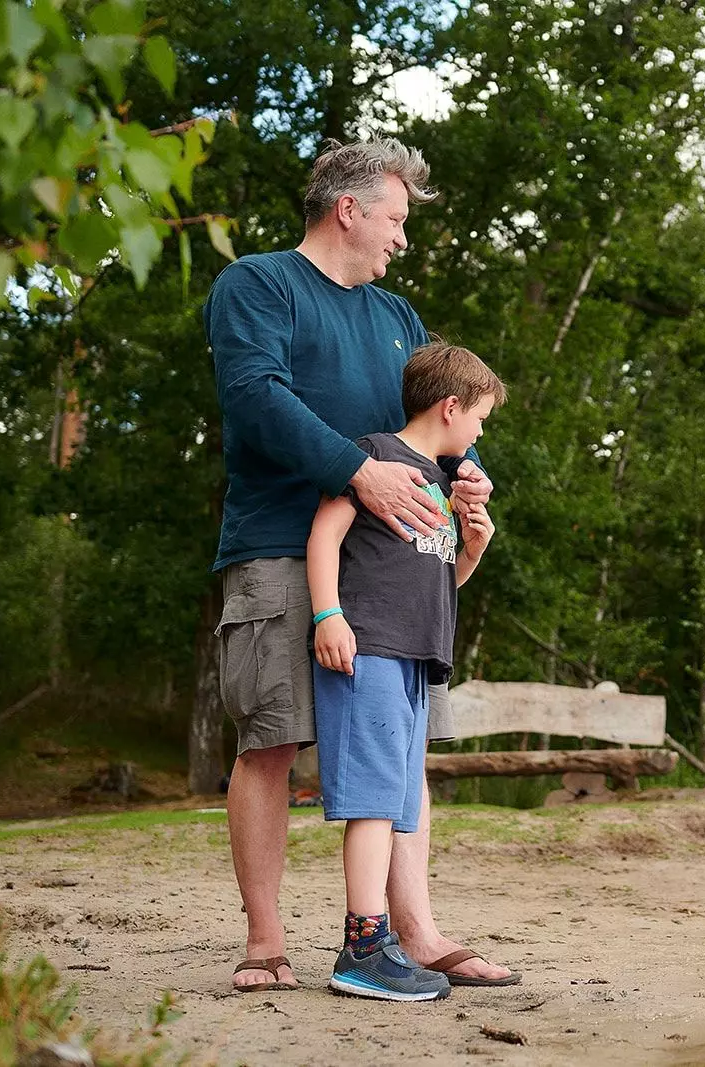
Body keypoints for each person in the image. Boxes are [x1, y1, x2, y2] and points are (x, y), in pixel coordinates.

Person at [206, 136, 514, 991]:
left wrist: (466, 481)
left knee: (399, 750)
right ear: (350, 209)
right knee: (272, 739)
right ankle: (266, 942)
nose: (402, 237)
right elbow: (255, 397)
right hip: (277, 546)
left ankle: (415, 933)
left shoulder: (399, 320)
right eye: (396, 218)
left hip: (392, 570)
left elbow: (430, 427)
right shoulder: (258, 286)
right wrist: (356, 472)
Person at [308, 341, 505, 1000]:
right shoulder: (376, 459)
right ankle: (361, 946)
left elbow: (443, 579)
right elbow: (325, 535)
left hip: (418, 656)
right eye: (479, 418)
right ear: (451, 408)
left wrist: (472, 545)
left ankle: (385, 939)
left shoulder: (444, 484)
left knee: (397, 798)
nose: (479, 433)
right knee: (370, 798)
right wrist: (328, 614)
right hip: (371, 649)